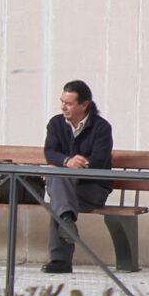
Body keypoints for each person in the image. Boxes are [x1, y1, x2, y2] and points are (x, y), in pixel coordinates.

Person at [42, 79, 113, 273]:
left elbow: (99, 160)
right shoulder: (56, 123)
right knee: (61, 189)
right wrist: (67, 162)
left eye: (69, 103)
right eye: (62, 102)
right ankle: (67, 220)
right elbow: (50, 152)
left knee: (59, 192)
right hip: (65, 188)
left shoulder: (101, 127)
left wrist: (73, 165)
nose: (63, 107)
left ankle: (60, 260)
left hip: (92, 189)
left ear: (84, 105)